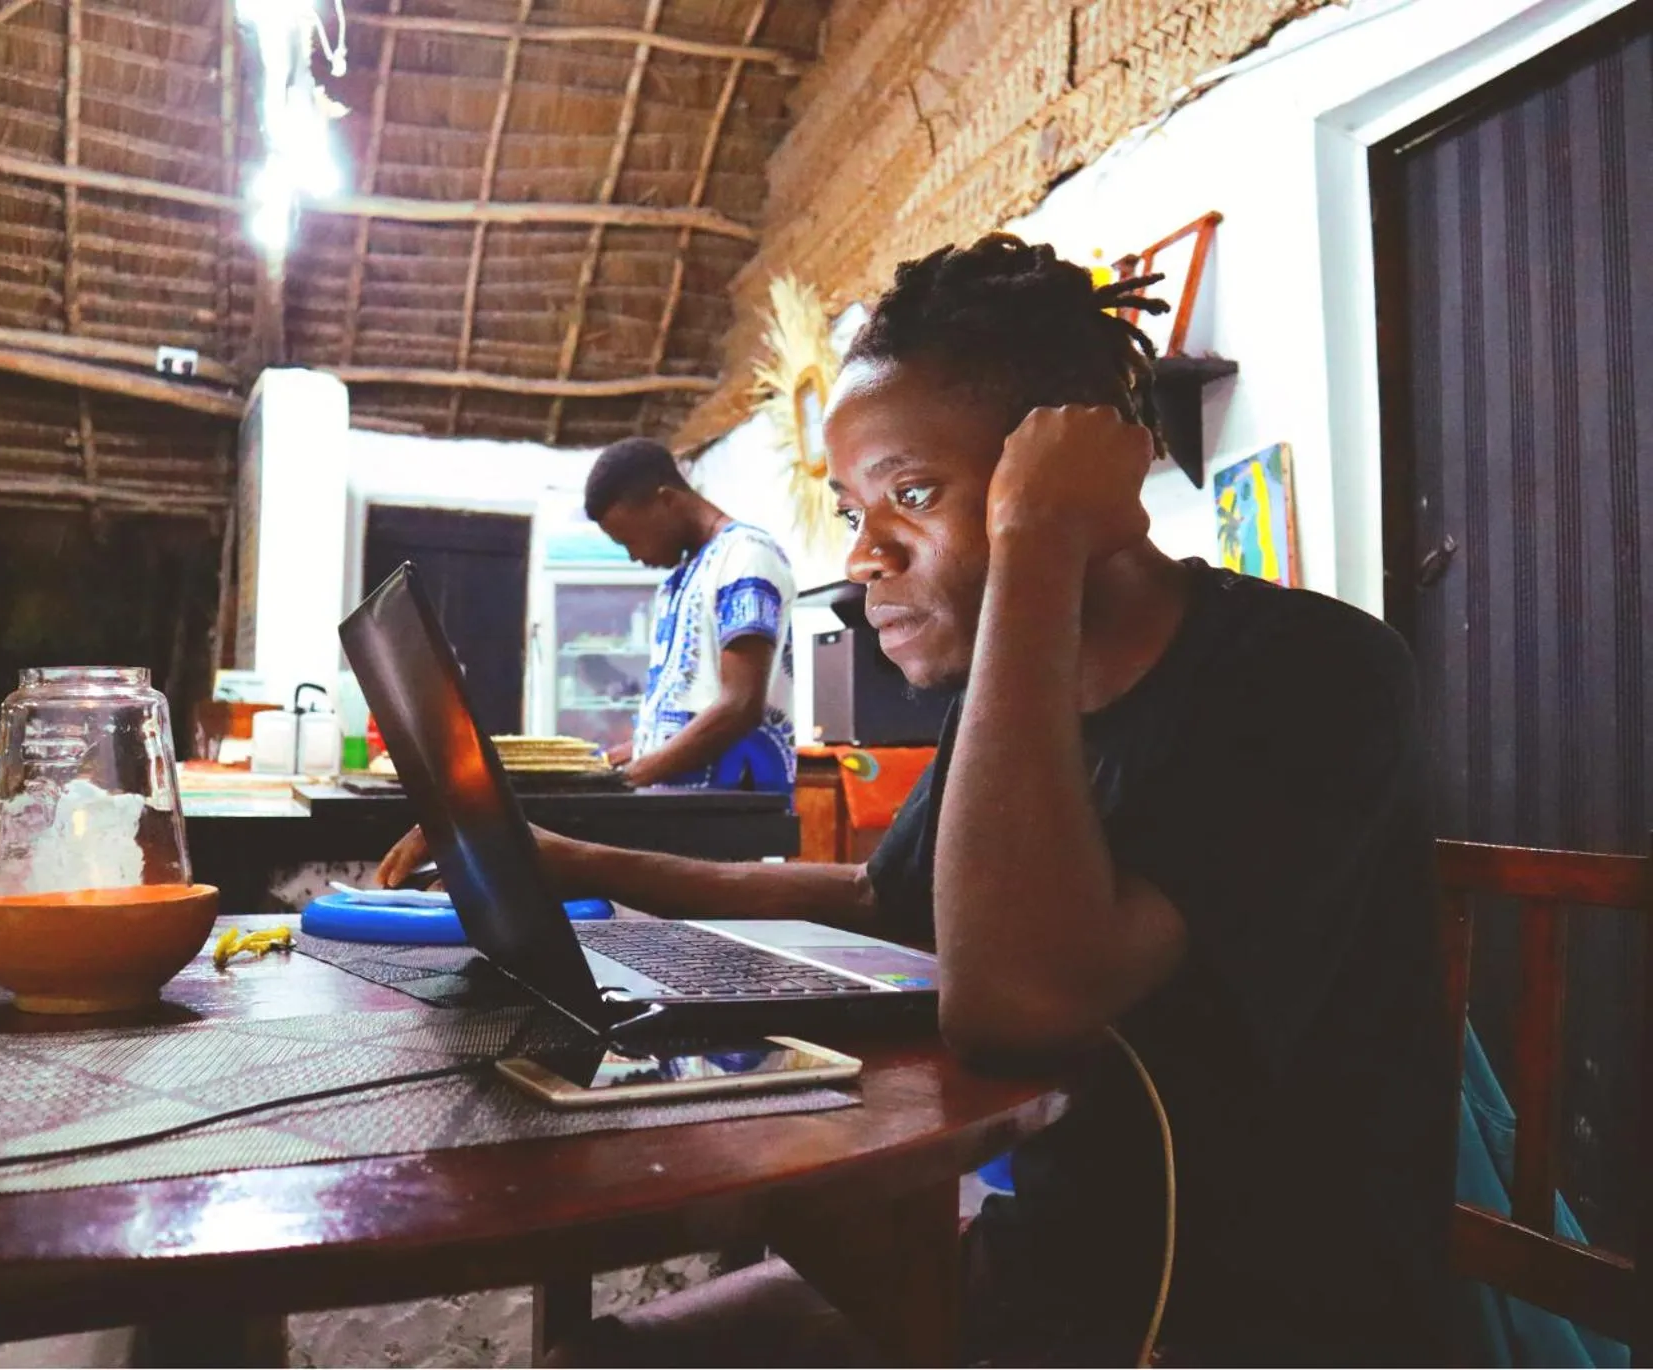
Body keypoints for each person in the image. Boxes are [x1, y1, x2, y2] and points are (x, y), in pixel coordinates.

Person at [380, 235, 1453, 1365]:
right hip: (1051, 1276)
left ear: (1067, 475)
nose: (862, 559)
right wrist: (588, 862)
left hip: (1232, 1325)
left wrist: (1034, 545)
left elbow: (1016, 1001)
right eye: (852, 509)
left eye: (914, 493)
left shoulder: (1312, 674)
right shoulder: (1020, 704)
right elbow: (883, 894)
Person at [584, 437, 797, 794]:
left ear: (666, 500)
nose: (633, 556)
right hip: (682, 803)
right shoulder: (680, 579)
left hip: (722, 807)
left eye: (630, 540)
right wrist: (629, 756)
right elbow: (692, 702)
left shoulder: (744, 556)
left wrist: (633, 775)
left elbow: (740, 704)